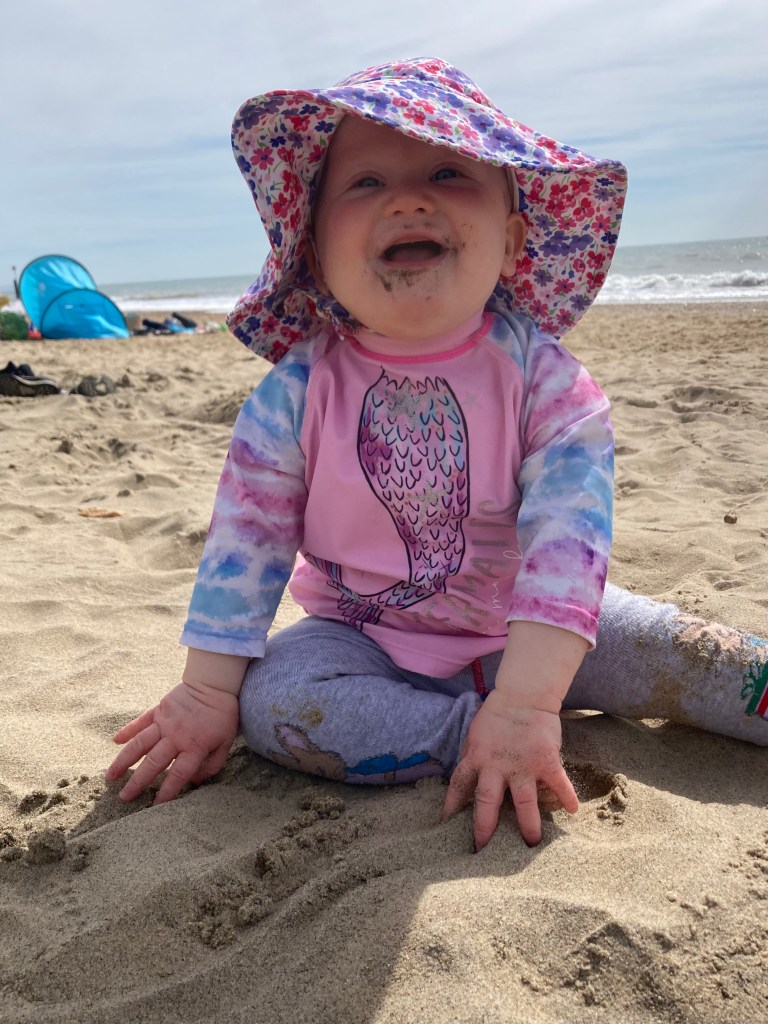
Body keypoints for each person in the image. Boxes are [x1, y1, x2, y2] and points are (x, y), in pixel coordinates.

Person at [106, 58, 768, 850]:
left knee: (707, 660)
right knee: (277, 705)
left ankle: (523, 722)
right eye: (365, 182)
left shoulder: (548, 384)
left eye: (449, 170)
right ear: (314, 251)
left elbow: (568, 552)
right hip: (364, 637)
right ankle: (472, 735)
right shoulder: (294, 391)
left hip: (538, 628)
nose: (408, 197)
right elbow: (246, 542)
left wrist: (527, 701)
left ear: (513, 238)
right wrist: (206, 691)